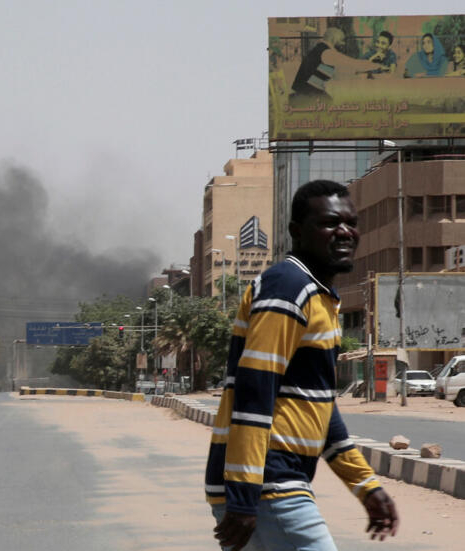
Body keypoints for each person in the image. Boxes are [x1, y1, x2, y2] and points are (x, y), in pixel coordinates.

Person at [207, 180, 398, 550]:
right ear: (297, 232)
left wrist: (365, 485)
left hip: (272, 482)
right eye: (330, 223)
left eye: (350, 222)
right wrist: (246, 496)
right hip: (269, 483)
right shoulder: (288, 287)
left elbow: (322, 408)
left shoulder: (319, 297)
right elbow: (254, 391)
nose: (345, 233)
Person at [290, 27, 381, 105]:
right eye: (341, 41)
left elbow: (338, 74)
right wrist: (378, 66)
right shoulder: (327, 53)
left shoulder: (319, 49)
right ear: (334, 39)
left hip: (306, 93)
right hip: (307, 96)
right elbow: (353, 63)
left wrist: (360, 72)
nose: (343, 44)